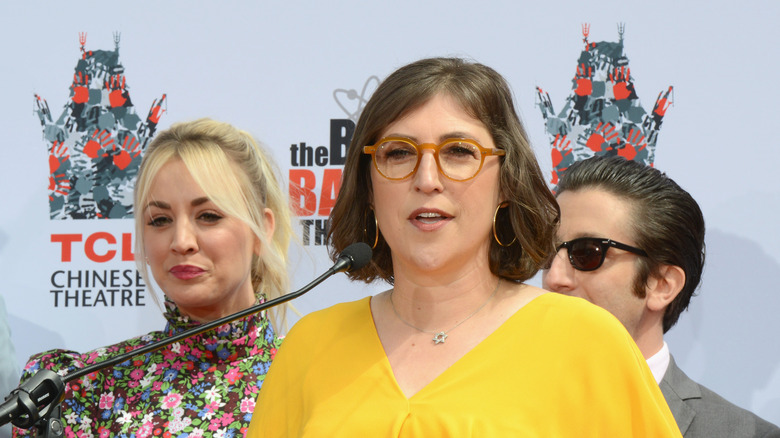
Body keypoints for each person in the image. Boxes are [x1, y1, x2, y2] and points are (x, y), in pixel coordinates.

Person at [248, 57, 681, 436]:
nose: (427, 179)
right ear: (368, 186)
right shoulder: (310, 345)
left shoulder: (587, 340)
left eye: (458, 151)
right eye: (398, 153)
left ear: (507, 183)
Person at [13, 118, 292, 438]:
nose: (181, 241)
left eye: (209, 216)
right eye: (160, 219)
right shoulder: (79, 389)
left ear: (262, 229)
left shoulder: (317, 377)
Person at [543, 155, 780, 437]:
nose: (554, 278)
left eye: (587, 253)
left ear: (662, 285)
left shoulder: (744, 434)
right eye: (546, 252)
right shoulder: (490, 409)